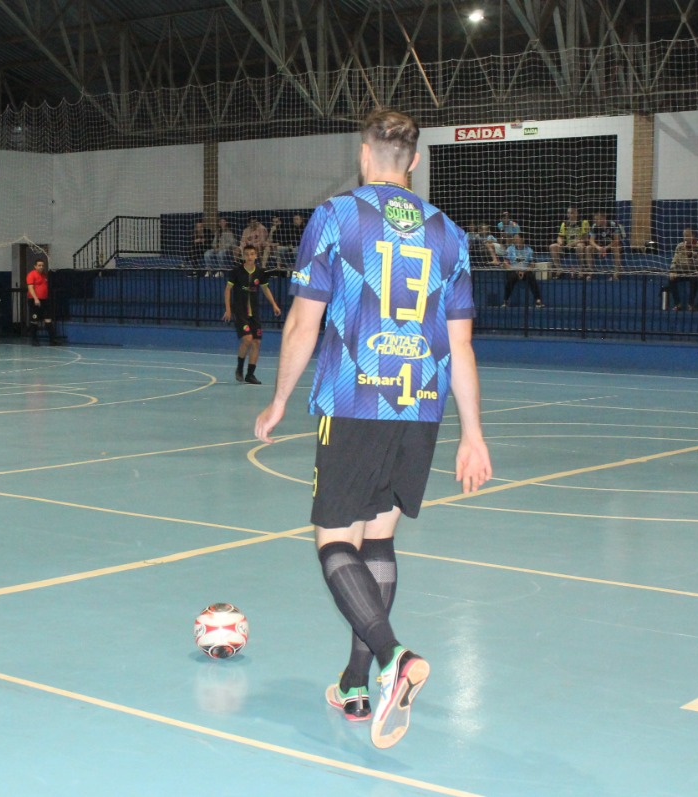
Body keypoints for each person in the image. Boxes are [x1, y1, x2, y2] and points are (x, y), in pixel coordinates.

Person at [254, 108, 492, 750]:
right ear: (414, 161)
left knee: (336, 541)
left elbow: (303, 322)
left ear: (364, 155)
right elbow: (462, 346)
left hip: (355, 399)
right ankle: (356, 685)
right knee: (378, 539)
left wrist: (279, 399)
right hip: (420, 405)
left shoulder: (336, 216)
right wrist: (473, 434)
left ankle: (393, 658)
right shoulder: (450, 233)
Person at [223, 243, 281, 384]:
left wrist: (274, 304)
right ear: (243, 256)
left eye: (252, 254)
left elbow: (265, 289)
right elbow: (228, 290)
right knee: (247, 339)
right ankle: (239, 368)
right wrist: (228, 309)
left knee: (257, 342)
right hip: (240, 311)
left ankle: (250, 375)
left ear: (256, 256)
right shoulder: (236, 272)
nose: (249, 257)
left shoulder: (260, 272)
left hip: (254, 313)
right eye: (247, 254)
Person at [502, 233, 545, 308]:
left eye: (517, 238)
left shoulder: (529, 250)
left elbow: (532, 264)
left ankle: (538, 300)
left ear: (523, 239)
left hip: (525, 270)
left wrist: (524, 271)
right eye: (514, 238)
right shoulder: (510, 249)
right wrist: (516, 270)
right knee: (511, 278)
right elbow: (505, 263)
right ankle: (506, 300)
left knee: (531, 277)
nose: (515, 240)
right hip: (513, 270)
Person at [26, 257, 61, 345]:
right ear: (35, 266)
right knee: (34, 320)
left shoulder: (44, 275)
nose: (41, 267)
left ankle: (52, 340)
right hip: (34, 301)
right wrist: (35, 298)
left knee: (48, 319)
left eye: (42, 265)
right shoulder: (31, 275)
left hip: (44, 300)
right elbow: (30, 288)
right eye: (39, 265)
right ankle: (34, 340)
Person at [666, 227, 698, 311]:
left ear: (693, 236)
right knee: (671, 279)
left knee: (695, 279)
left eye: (688, 235)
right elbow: (675, 260)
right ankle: (677, 304)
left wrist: (690, 255)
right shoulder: (680, 246)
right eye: (684, 236)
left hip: (694, 270)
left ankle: (691, 304)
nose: (686, 238)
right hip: (682, 271)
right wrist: (672, 271)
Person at [549, 207, 591, 277]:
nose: (569, 215)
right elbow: (560, 237)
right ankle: (559, 269)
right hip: (567, 246)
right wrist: (560, 242)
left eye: (571, 213)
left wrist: (574, 243)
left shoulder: (584, 222)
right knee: (552, 246)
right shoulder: (565, 223)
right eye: (568, 213)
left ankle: (581, 269)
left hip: (578, 245)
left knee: (580, 246)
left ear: (576, 214)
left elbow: (586, 238)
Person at [587, 211, 624, 279]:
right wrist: (598, 247)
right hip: (601, 246)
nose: (595, 221)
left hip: (613, 245)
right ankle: (590, 271)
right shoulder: (595, 226)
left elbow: (616, 240)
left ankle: (617, 272)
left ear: (603, 218)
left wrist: (606, 247)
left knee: (616, 247)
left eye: (597, 219)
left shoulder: (613, 224)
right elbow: (591, 241)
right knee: (588, 248)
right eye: (594, 219)